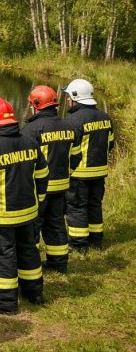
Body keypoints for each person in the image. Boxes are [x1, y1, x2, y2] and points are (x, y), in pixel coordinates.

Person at [0, 97, 48, 314]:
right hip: (29, 214)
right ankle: (34, 293)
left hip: (0, 217)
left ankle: (4, 303)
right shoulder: (30, 142)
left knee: (3, 258)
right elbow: (42, 176)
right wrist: (38, 201)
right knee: (28, 253)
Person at [21, 86, 77, 272]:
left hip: (39, 190)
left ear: (37, 105)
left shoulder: (31, 129)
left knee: (33, 229)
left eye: (31, 104)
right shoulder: (68, 126)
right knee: (56, 225)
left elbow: (26, 161)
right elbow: (75, 156)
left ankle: (32, 266)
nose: (30, 107)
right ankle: (59, 264)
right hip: (61, 188)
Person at [62, 79, 114, 252]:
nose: (67, 99)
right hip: (100, 172)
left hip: (79, 173)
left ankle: (78, 245)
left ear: (75, 96)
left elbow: (69, 150)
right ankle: (96, 241)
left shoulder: (73, 121)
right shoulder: (105, 118)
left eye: (68, 96)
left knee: (77, 207)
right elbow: (111, 144)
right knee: (94, 205)